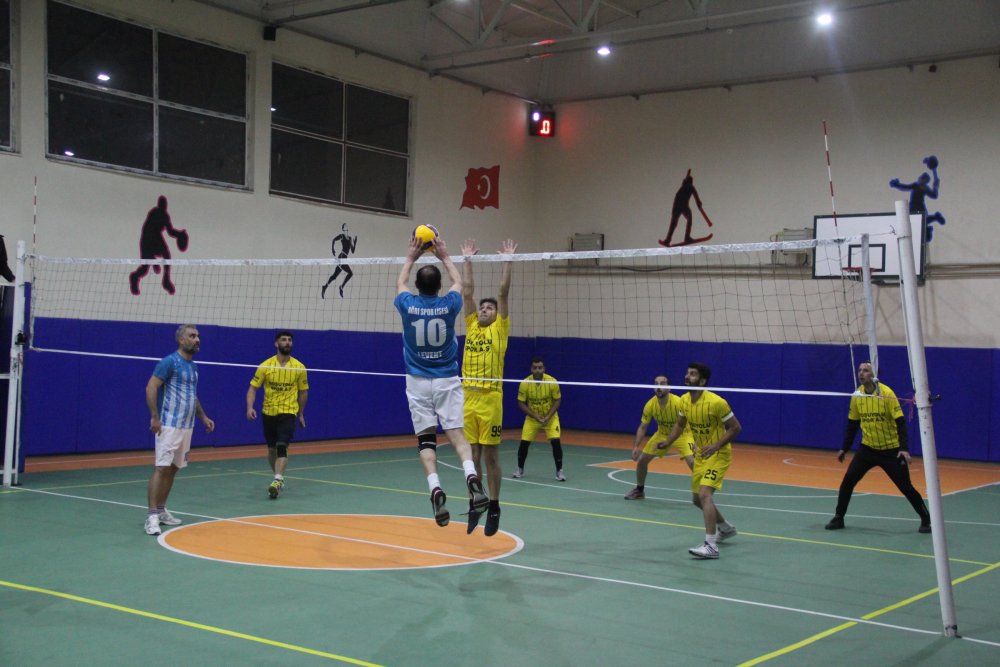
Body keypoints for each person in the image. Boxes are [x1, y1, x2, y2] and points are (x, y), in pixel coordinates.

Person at [394, 234, 488, 528]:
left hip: (417, 381)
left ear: (418, 286)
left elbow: (400, 283)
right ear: (439, 287)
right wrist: (445, 255)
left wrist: (411, 256)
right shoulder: (449, 304)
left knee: (426, 439)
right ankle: (470, 475)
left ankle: (435, 488)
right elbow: (461, 284)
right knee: (458, 436)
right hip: (446, 378)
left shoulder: (407, 304)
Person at [825, 362, 931, 533]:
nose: (861, 373)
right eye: (859, 370)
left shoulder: (887, 393)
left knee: (906, 487)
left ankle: (926, 520)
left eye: (866, 370)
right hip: (867, 449)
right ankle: (839, 518)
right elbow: (852, 424)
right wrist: (844, 448)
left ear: (873, 375)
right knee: (848, 481)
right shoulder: (857, 395)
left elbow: (900, 422)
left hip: (891, 451)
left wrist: (904, 448)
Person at [461, 238, 517, 536]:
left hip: (491, 399)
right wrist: (467, 259)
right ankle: (476, 501)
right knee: (471, 457)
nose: (484, 309)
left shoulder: (500, 329)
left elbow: (503, 292)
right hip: (467, 398)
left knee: (491, 455)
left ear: (497, 315)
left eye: (489, 308)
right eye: (482, 307)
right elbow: (467, 291)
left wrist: (508, 259)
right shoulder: (471, 325)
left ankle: (494, 505)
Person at [659, 362, 741, 559]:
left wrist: (716, 445)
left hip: (718, 455)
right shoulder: (684, 401)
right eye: (687, 373)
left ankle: (711, 546)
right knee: (697, 500)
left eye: (693, 374)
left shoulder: (717, 402)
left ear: (702, 381)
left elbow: (736, 427)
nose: (687, 376)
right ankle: (726, 528)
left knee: (705, 494)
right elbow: (680, 425)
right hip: (701, 455)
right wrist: (668, 441)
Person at [144, 324, 215, 536]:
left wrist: (203, 417)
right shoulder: (169, 362)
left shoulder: (194, 367)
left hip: (187, 426)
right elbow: (151, 387)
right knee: (161, 468)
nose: (197, 339)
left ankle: (161, 509)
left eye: (198, 336)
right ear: (181, 339)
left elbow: (192, 395)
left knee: (174, 468)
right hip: (169, 424)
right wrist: (155, 416)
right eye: (192, 336)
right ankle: (151, 516)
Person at [246, 330, 309, 499]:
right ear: (276, 343)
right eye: (284, 340)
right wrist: (250, 407)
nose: (287, 342)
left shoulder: (299, 367)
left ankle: (277, 479)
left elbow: (303, 392)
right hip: (268, 412)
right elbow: (253, 388)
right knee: (271, 449)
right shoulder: (265, 366)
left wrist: (300, 414)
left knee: (282, 445)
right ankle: (278, 477)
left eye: (290, 340)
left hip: (288, 411)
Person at [623, 375, 695, 500]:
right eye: (656, 384)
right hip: (662, 434)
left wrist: (697, 441)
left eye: (662, 384)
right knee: (642, 461)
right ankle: (639, 490)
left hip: (683, 434)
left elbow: (694, 421)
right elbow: (643, 427)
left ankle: (703, 493)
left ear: (669, 388)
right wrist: (636, 446)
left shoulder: (679, 403)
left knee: (693, 463)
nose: (658, 387)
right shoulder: (650, 404)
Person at [513, 356, 564, 481]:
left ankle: (559, 471)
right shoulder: (525, 383)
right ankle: (520, 469)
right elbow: (521, 403)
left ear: (544, 368)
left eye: (540, 368)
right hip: (532, 418)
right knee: (524, 443)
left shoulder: (552, 382)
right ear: (531, 369)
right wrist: (535, 416)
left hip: (550, 418)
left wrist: (548, 417)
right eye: (535, 368)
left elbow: (557, 400)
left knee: (556, 442)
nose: (537, 370)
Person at [321, 222, 359, 298]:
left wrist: (355, 244)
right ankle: (341, 287)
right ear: (343, 229)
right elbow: (334, 240)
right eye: (345, 227)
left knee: (335, 276)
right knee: (350, 273)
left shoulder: (350, 238)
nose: (346, 228)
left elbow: (352, 251)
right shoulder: (342, 236)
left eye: (347, 227)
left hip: (345, 258)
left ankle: (325, 286)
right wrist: (333, 249)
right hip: (341, 257)